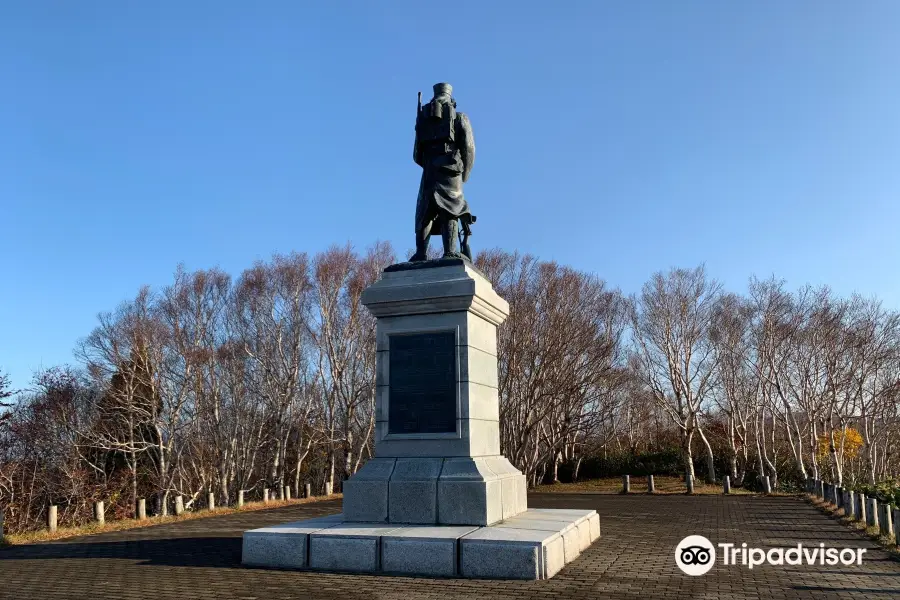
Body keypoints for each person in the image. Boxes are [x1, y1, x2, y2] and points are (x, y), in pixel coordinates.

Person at [410, 82, 476, 261]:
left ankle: (421, 253)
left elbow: (416, 154)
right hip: (451, 168)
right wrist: (464, 175)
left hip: (429, 169)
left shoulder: (424, 118)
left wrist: (429, 164)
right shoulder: (460, 117)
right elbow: (469, 148)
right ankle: (450, 251)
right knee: (451, 208)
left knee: (425, 210)